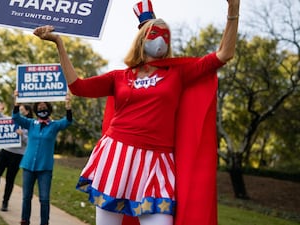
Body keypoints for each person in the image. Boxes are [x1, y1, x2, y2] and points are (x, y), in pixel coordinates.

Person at [32, 0, 240, 224]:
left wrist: (233, 9)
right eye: (155, 33)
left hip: (157, 163)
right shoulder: (119, 76)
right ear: (141, 39)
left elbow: (224, 54)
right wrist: (59, 44)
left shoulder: (178, 73)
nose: (161, 39)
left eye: (165, 35)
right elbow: (78, 87)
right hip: (117, 156)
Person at [12, 92, 73, 225]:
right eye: (39, 107)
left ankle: (44, 223)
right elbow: (16, 117)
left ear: (49, 109)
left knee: (44, 199)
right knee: (26, 197)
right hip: (28, 166)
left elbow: (68, 121)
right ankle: (24, 221)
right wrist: (16, 102)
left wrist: (68, 105)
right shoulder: (31, 124)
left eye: (44, 107)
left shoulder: (54, 125)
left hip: (45, 168)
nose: (42, 109)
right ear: (35, 110)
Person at [0, 102, 33, 211]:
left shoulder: (30, 124)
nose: (19, 111)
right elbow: (1, 117)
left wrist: (22, 135)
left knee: (10, 179)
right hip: (5, 152)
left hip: (18, 155)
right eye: (18, 109)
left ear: (27, 112)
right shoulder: (13, 119)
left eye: (22, 109)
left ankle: (5, 202)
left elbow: (31, 142)